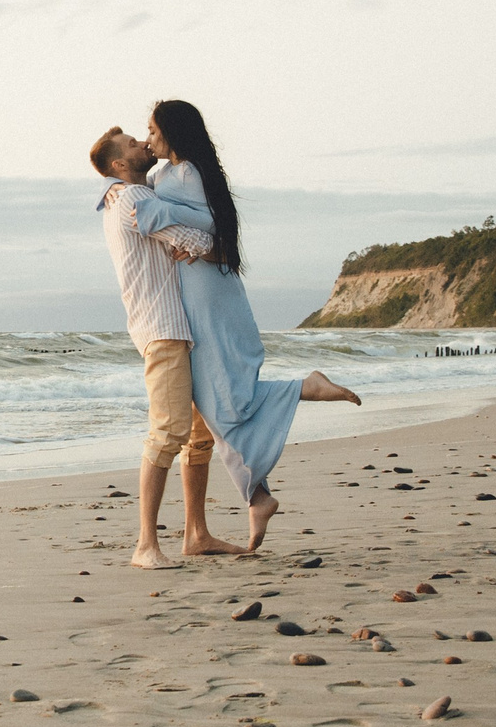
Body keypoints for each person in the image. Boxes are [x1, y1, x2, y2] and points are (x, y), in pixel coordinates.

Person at [114, 100, 359, 551]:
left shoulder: (184, 173)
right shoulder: (170, 175)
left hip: (206, 295)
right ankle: (248, 501)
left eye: (150, 130)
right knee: (212, 408)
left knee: (220, 402)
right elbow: (161, 204)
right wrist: (125, 193)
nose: (146, 138)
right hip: (201, 294)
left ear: (172, 132)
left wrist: (178, 228)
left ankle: (303, 391)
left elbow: (207, 224)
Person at [89, 126, 245, 568]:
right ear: (119, 165)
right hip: (163, 328)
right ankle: (145, 545)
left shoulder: (138, 192)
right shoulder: (133, 199)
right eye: (134, 144)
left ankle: (196, 534)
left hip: (180, 326)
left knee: (197, 433)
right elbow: (186, 237)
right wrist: (215, 246)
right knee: (168, 433)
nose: (144, 143)